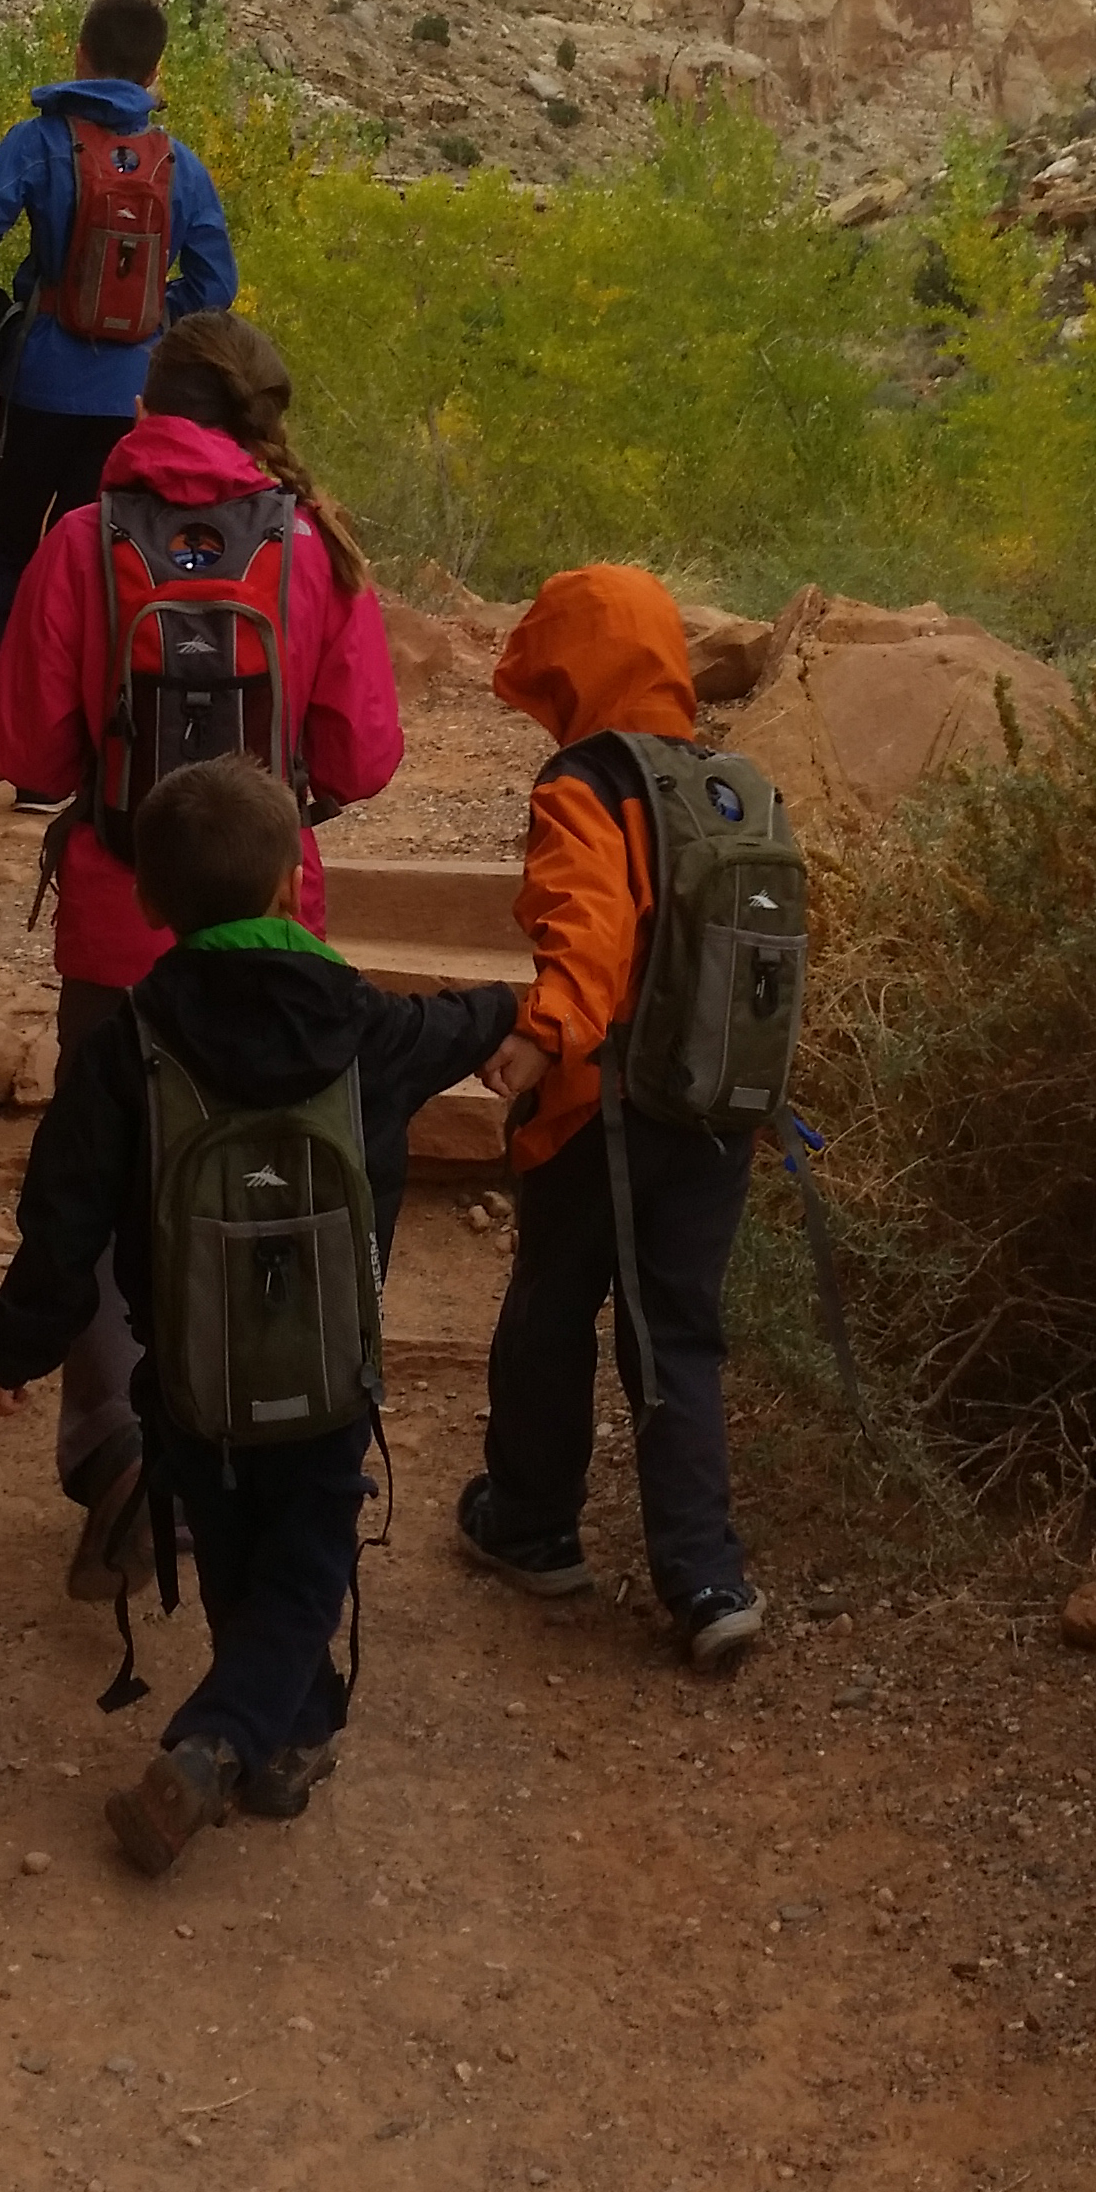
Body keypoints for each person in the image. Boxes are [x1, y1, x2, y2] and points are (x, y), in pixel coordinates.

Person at [0, 751, 516, 1871]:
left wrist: (16, 1346)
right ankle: (222, 1744)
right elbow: (458, 1028)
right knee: (309, 1561)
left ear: (148, 901)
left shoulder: (128, 1043)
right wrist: (522, 1006)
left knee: (232, 1550)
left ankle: (284, 1737)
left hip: (188, 1379)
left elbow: (63, 1217)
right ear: (291, 886)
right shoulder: (364, 1026)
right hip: (326, 1376)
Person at [0, 309, 404, 1605]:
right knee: (264, 1176)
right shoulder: (315, 549)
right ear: (262, 421)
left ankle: (116, 1452)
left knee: (110, 1183)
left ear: (146, 409)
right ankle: (264, 1410)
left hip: (121, 928)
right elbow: (363, 758)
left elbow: (26, 752)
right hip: (276, 930)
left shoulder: (80, 541)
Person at [459, 563, 768, 1668]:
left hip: (604, 1109)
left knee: (551, 1309)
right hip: (719, 1108)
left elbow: (589, 927)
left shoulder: (587, 785)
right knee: (676, 1332)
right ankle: (706, 1574)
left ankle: (532, 1522)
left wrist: (543, 1037)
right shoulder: (730, 782)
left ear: (576, 667)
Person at [0, 0, 237, 722]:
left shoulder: (38, 142)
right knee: (105, 561)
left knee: (1, 545)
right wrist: (155, 326)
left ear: (79, 55)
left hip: (37, 380)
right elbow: (216, 282)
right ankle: (90, 730)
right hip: (131, 403)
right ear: (156, 70)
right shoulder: (179, 165)